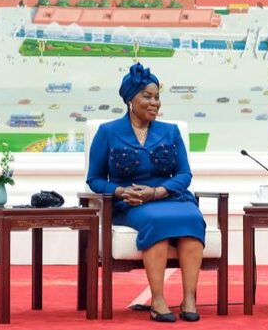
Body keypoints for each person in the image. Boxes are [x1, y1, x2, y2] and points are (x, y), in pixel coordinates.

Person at [87, 62, 205, 323]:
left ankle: (189, 299)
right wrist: (120, 191)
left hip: (169, 197)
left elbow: (184, 174)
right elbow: (94, 179)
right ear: (130, 100)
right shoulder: (107, 133)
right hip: (130, 204)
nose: (155, 103)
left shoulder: (171, 132)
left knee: (193, 218)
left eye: (157, 97)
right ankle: (158, 300)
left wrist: (158, 191)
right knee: (155, 219)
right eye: (147, 97)